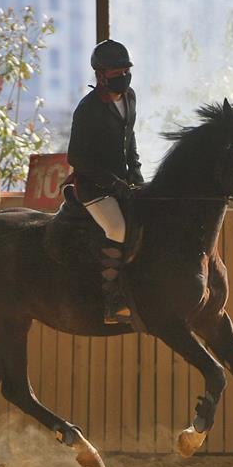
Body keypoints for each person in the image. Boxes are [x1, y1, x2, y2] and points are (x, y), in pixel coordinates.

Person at [66, 39, 143, 325]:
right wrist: (112, 183)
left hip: (124, 181)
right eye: (116, 71)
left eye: (126, 70)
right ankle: (112, 299)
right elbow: (77, 156)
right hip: (93, 188)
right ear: (100, 75)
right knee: (117, 227)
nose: (123, 75)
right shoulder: (88, 110)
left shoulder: (130, 97)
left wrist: (136, 175)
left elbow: (129, 139)